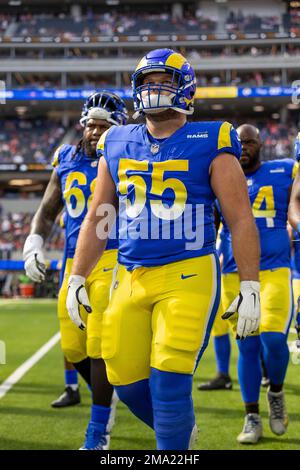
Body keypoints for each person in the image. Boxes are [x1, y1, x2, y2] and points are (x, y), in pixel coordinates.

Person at [66, 48, 260, 451]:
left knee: (170, 376)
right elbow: (100, 216)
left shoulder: (213, 136)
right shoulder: (117, 140)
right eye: (147, 82)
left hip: (188, 270)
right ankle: (178, 436)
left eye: (163, 80)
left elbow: (240, 218)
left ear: (184, 86)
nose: (154, 89)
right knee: (124, 378)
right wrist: (78, 275)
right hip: (130, 273)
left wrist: (250, 285)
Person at [23, 91, 128, 449]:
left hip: (112, 258)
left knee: (99, 344)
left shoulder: (123, 156)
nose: (96, 132)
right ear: (82, 126)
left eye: (103, 126)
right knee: (74, 345)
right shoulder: (65, 158)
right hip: (73, 261)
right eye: (91, 125)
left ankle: (98, 430)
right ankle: (107, 395)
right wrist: (35, 240)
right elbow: (49, 206)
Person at [214, 124, 296, 444]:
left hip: (273, 270)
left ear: (261, 145)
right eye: (239, 142)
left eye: (250, 141)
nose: (244, 147)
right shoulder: (219, 176)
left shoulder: (285, 170)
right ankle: (251, 416)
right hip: (234, 273)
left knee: (274, 341)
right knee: (246, 346)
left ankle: (275, 392)